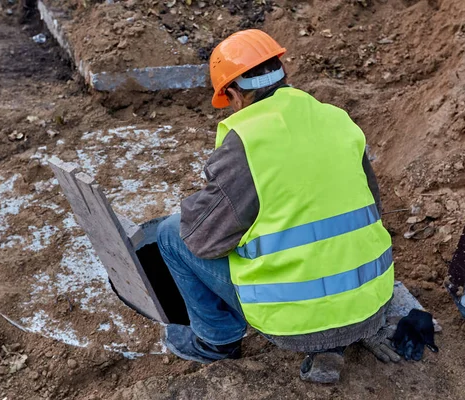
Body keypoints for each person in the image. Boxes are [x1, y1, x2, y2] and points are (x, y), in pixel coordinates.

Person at [156, 29, 398, 383]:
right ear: (284, 74)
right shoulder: (337, 120)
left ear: (235, 95)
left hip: (295, 321)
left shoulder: (248, 143)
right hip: (371, 302)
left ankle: (215, 342)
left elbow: (202, 239)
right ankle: (334, 343)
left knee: (169, 235)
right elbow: (371, 206)